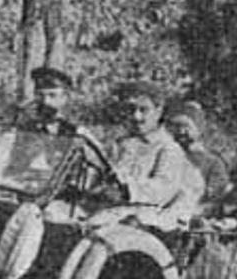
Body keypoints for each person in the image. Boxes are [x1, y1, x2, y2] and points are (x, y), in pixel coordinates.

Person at [87, 81, 203, 229]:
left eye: (143, 110)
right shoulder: (121, 144)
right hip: (106, 210)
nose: (136, 116)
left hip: (141, 218)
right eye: (131, 109)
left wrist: (126, 188)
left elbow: (163, 189)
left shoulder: (168, 149)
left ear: (158, 111)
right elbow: (100, 176)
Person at [163, 100, 230, 204]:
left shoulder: (213, 163)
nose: (181, 131)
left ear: (198, 129)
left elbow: (214, 194)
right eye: (177, 126)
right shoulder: (166, 156)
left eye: (186, 126)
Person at [20, 66, 81, 136]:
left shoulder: (74, 131)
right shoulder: (24, 128)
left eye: (52, 95)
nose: (45, 101)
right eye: (40, 95)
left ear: (65, 97)